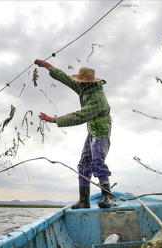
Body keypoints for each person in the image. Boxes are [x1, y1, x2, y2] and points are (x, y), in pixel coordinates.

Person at [34, 59, 113, 209]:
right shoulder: (85, 88)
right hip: (92, 131)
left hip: (101, 131)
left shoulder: (98, 98)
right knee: (84, 164)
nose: (79, 84)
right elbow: (66, 79)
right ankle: (84, 201)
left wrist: (54, 120)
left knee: (97, 161)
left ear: (89, 82)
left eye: (82, 82)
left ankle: (107, 197)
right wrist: (48, 67)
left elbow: (80, 116)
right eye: (80, 82)